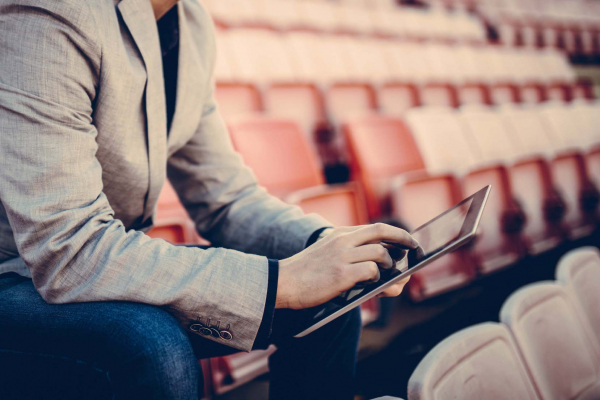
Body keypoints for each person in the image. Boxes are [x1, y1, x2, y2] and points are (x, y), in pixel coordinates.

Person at [0, 0, 417, 399]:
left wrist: (326, 246)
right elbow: (67, 248)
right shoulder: (49, 13)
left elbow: (228, 199)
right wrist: (284, 283)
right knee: (149, 344)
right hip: (18, 273)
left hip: (101, 261)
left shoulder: (190, 23)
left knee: (335, 298)